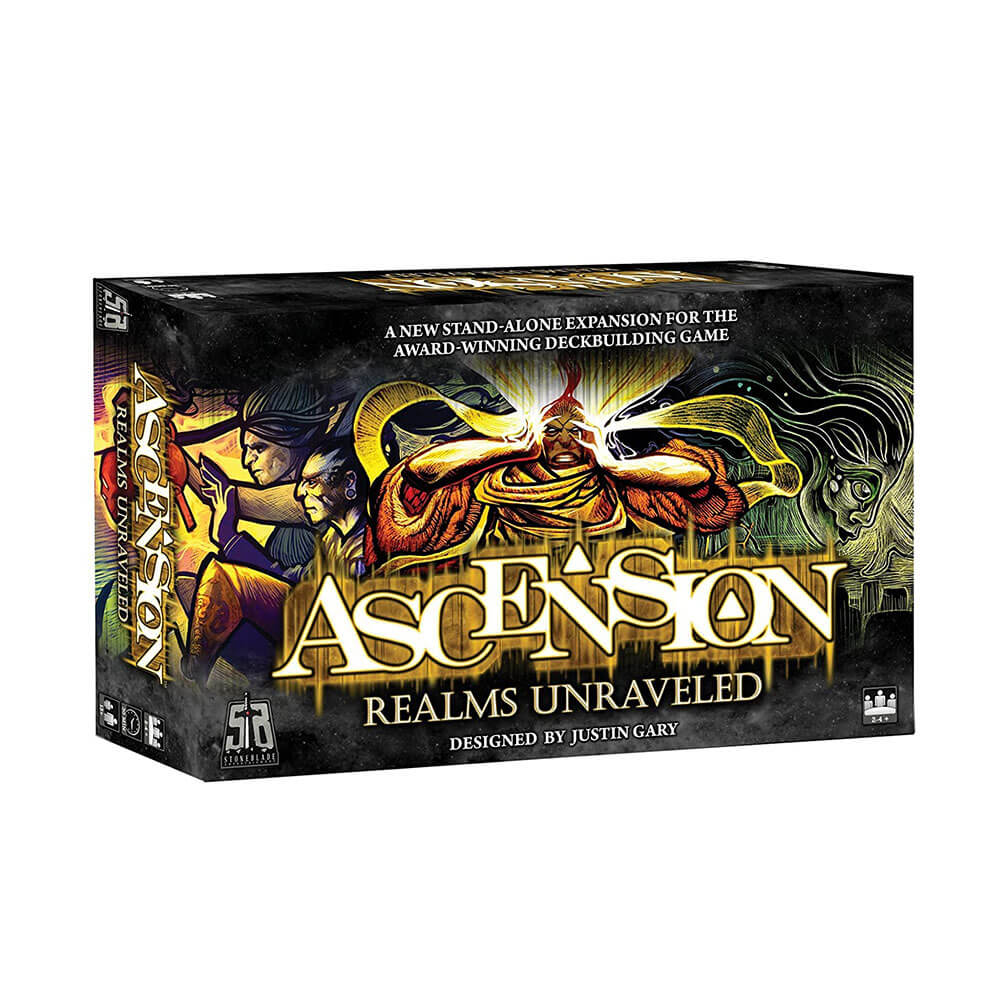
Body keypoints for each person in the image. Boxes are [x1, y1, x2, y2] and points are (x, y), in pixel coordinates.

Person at [365, 366, 748, 569]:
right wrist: (513, 448)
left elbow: (699, 479)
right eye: (552, 431)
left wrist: (613, 465)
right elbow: (420, 473)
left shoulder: (615, 486)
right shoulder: (493, 483)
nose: (564, 440)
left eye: (576, 431)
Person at [182, 445, 367, 685]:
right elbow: (289, 578)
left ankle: (196, 667)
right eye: (302, 482)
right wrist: (228, 537)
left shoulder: (368, 545)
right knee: (195, 576)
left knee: (222, 577)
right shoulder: (333, 538)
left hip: (330, 651)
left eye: (312, 482)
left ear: (349, 482)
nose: (300, 492)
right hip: (311, 640)